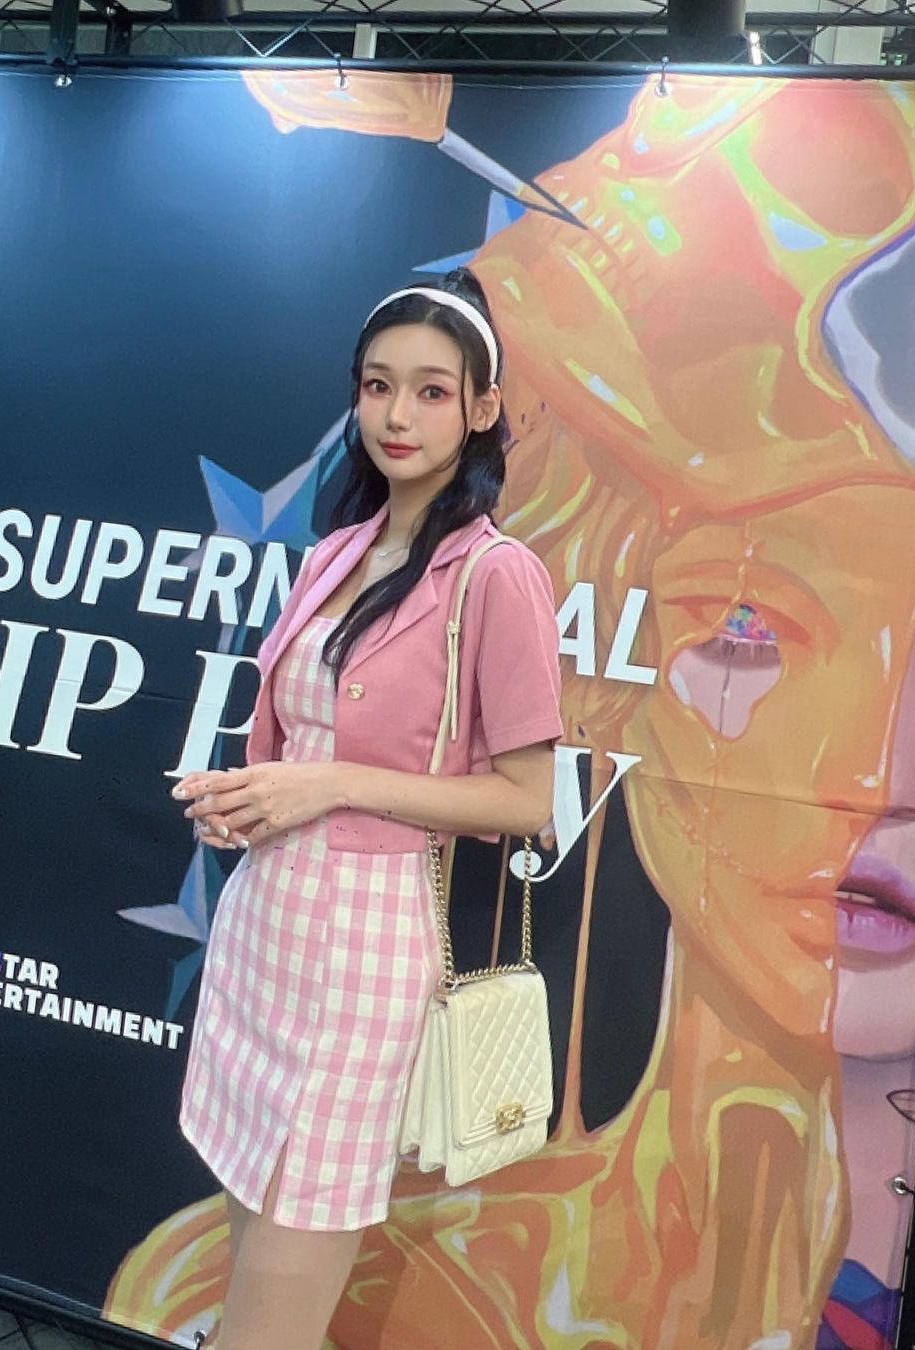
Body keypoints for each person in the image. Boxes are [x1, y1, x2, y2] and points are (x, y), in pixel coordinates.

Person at [168, 268, 564, 1350]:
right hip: (265, 926)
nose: (398, 414)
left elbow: (527, 799)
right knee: (249, 1265)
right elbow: (294, 739)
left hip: (365, 950)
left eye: (433, 391)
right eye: (379, 386)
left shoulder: (498, 575)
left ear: (482, 407)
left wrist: (332, 784)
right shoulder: (338, 551)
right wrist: (249, 801)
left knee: (274, 1321)